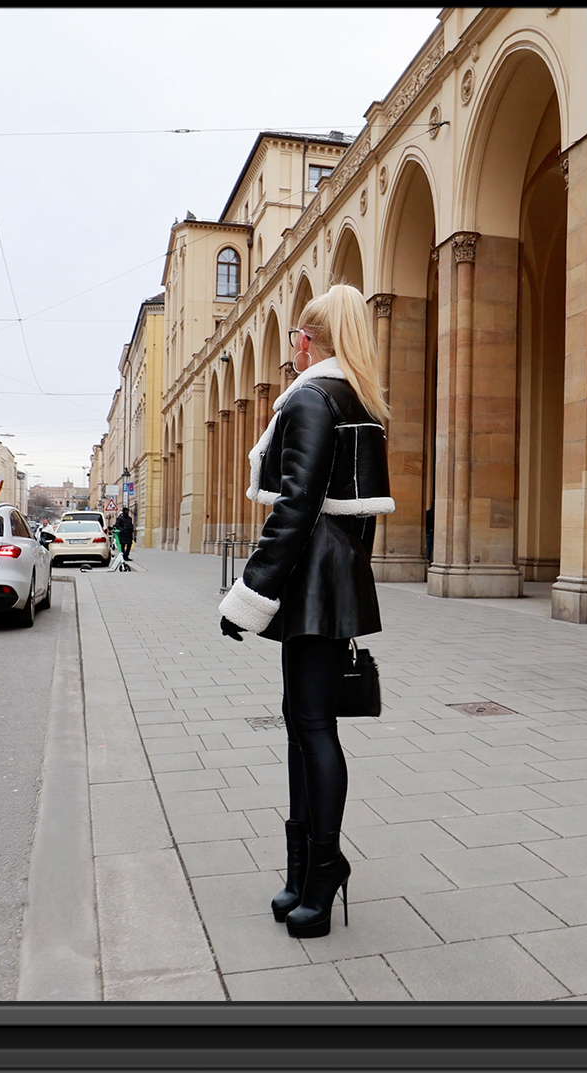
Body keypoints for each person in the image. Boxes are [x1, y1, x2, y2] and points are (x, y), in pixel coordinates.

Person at [217, 283, 394, 939]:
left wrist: (248, 593)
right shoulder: (351, 396)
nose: (291, 347)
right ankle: (303, 871)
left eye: (295, 337)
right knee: (303, 721)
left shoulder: (316, 397)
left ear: (305, 341)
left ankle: (322, 872)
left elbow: (295, 507)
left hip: (314, 577)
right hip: (330, 574)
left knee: (313, 726)